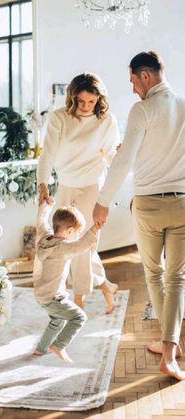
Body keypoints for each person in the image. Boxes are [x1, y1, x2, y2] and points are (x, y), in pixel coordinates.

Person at [93, 51, 185, 380]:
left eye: (133, 81)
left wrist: (102, 202)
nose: (132, 88)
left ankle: (168, 345)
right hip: (182, 203)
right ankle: (171, 349)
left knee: (154, 274)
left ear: (146, 76)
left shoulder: (142, 109)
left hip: (147, 204)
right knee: (177, 278)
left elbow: (124, 162)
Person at [37, 73, 121, 313]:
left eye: (91, 102)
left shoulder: (106, 120)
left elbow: (111, 156)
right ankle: (105, 285)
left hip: (92, 186)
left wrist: (121, 154)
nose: (85, 107)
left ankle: (79, 297)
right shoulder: (59, 118)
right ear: (72, 98)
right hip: (65, 184)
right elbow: (48, 154)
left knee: (82, 243)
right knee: (65, 240)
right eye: (81, 101)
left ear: (98, 100)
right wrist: (42, 183)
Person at [33, 201, 99, 362]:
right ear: (70, 231)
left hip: (42, 294)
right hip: (52, 297)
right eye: (77, 232)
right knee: (79, 317)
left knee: (57, 320)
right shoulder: (63, 248)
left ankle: (41, 349)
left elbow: (41, 221)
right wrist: (94, 229)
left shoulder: (45, 237)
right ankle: (58, 346)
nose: (77, 236)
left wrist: (45, 206)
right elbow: (80, 245)